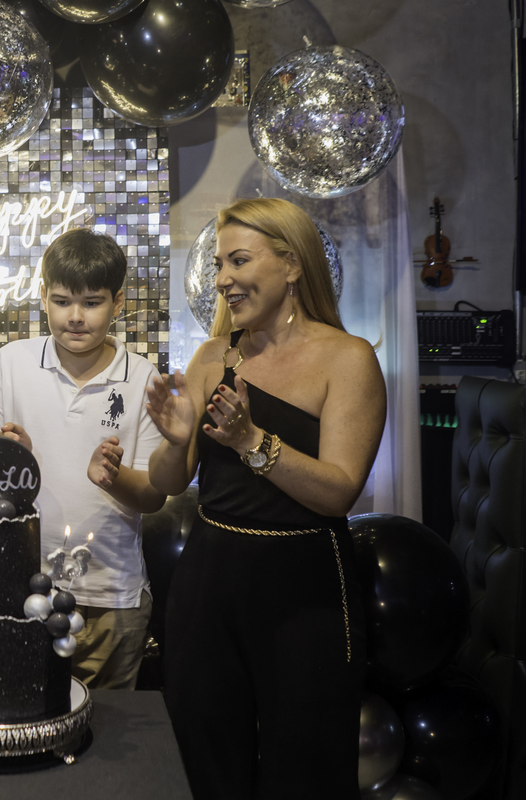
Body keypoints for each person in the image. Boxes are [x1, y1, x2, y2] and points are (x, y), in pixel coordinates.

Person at [146, 198, 385, 799]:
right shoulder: (210, 357)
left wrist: (253, 441)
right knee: (204, 757)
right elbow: (171, 482)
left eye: (239, 260)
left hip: (305, 588)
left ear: (293, 264)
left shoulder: (348, 358)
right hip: (208, 581)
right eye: (220, 264)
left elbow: (340, 492)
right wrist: (177, 441)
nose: (223, 278)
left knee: (304, 766)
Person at [0, 227, 166, 689]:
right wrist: (7, 459)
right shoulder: (12, 363)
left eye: (92, 303)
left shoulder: (142, 378)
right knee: (20, 721)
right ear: (42, 297)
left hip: (110, 594)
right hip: (17, 587)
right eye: (61, 301)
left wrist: (112, 478)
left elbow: (154, 498)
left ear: (118, 302)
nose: (75, 317)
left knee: (107, 737)